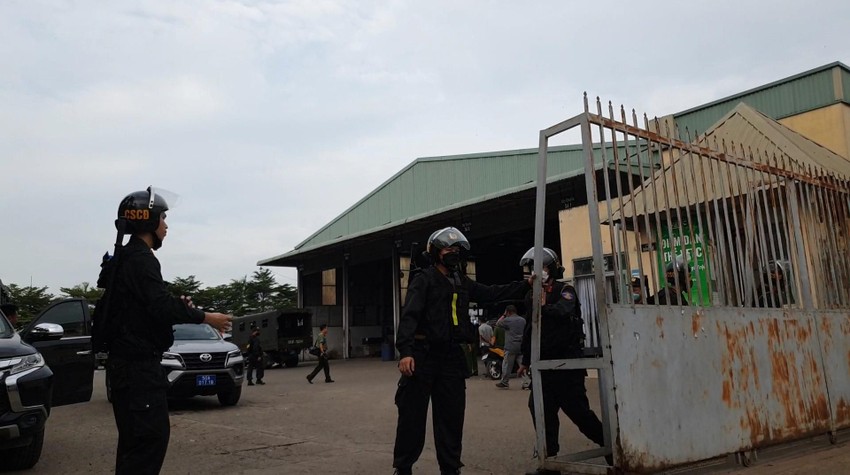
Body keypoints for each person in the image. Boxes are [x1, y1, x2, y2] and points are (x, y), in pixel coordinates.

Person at [96, 187, 232, 475]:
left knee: (135, 447)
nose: (166, 225)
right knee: (147, 445)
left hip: (127, 370)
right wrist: (207, 317)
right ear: (148, 221)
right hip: (138, 372)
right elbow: (159, 306)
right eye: (163, 218)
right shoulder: (141, 258)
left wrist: (176, 307)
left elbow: (147, 308)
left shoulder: (125, 258)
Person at [393, 226, 531, 475]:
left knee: (451, 417)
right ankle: (403, 468)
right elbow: (409, 316)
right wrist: (406, 352)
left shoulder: (461, 281)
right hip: (423, 356)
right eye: (448, 249)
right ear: (436, 253)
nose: (454, 253)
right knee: (412, 417)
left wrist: (524, 285)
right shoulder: (423, 280)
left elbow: (491, 293)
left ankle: (450, 468)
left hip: (452, 359)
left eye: (457, 249)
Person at [515, 247, 607, 475]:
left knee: (579, 413)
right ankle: (550, 461)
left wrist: (543, 307)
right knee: (540, 410)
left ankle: (611, 447)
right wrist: (525, 359)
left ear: (552, 268)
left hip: (567, 366)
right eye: (533, 268)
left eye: (542, 267)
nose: (537, 272)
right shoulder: (531, 295)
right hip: (543, 367)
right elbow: (530, 329)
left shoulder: (565, 290)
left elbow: (563, 311)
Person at [495, 305, 526, 389]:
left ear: (508, 312)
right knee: (522, 364)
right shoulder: (523, 320)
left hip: (510, 346)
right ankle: (526, 382)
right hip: (521, 345)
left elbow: (498, 323)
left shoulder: (507, 320)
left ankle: (504, 382)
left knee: (507, 365)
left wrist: (504, 315)